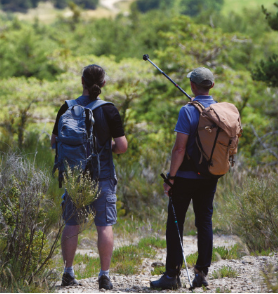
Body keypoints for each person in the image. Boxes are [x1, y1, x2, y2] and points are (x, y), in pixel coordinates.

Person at [51, 64, 128, 290]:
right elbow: (122, 147)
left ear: (81, 82)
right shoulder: (109, 110)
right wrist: (106, 147)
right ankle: (104, 276)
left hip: (75, 178)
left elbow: (53, 142)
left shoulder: (66, 107)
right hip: (102, 176)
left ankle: (68, 272)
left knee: (72, 223)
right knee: (104, 225)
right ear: (103, 84)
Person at [150, 67, 218, 290]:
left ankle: (172, 275)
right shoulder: (220, 111)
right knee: (204, 222)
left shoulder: (187, 111)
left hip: (186, 176)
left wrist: (171, 178)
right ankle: (202, 273)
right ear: (212, 86)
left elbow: (179, 149)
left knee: (175, 224)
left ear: (192, 86)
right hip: (210, 176)